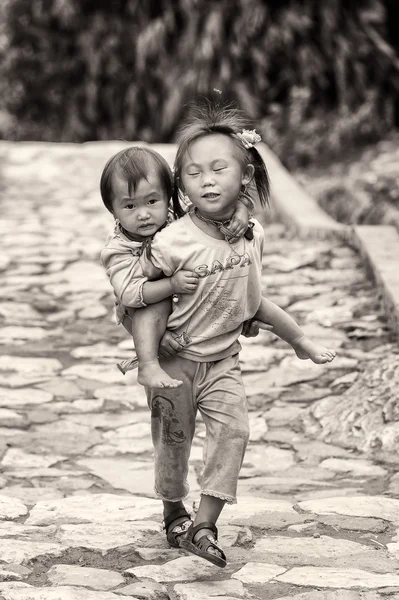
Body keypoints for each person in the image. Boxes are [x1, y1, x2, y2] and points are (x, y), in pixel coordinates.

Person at [138, 102, 335, 567]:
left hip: (224, 361)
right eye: (192, 173)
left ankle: (204, 525)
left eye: (218, 169)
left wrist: (294, 337)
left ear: (244, 176)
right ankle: (173, 511)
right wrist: (150, 344)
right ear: (180, 186)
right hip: (175, 362)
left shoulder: (254, 235)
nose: (206, 180)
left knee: (235, 433)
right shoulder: (170, 242)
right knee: (174, 442)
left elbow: (254, 296)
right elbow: (137, 301)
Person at [100, 146, 252, 390]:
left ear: (169, 194)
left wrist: (242, 210)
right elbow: (130, 294)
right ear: (112, 209)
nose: (143, 214)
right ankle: (148, 364)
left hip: (187, 306)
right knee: (154, 303)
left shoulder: (177, 213)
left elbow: (215, 202)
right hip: (139, 309)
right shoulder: (118, 249)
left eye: (151, 201)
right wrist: (170, 285)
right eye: (129, 206)